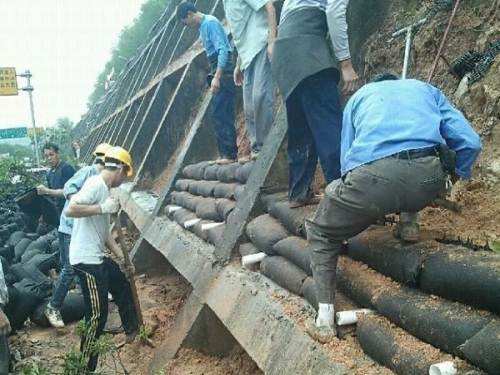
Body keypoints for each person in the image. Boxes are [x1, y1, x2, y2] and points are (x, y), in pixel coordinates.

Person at [305, 74, 482, 342]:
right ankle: (410, 223)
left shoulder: (358, 98)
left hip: (373, 182)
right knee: (413, 175)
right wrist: (452, 180)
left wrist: (360, 204)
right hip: (428, 179)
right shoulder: (426, 90)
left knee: (320, 231)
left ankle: (324, 319)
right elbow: (471, 143)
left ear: (375, 84)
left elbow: (346, 164)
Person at [271, 0, 359, 208]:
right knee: (328, 126)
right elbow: (335, 11)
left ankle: (298, 191)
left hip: (284, 55)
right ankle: (343, 197)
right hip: (307, 48)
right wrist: (345, 63)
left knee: (301, 128)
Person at [66, 146, 138, 372]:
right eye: (124, 176)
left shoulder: (106, 191)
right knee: (97, 314)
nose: (123, 181)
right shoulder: (95, 184)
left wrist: (123, 259)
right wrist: (100, 208)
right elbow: (71, 209)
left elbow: (105, 234)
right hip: (84, 260)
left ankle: (133, 332)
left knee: (121, 284)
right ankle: (85, 367)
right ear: (119, 169)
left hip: (96, 257)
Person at [44, 143, 113, 329]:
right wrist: (81, 203)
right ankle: (53, 307)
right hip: (68, 228)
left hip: (77, 228)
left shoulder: (103, 180)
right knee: (70, 268)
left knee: (80, 266)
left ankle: (92, 300)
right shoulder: (90, 173)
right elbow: (68, 188)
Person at [177, 2, 238, 164]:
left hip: (223, 72)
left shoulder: (210, 23)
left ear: (190, 14)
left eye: (186, 22)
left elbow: (223, 50)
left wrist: (217, 76)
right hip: (217, 69)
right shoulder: (203, 27)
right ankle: (226, 153)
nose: (187, 26)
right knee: (219, 113)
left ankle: (229, 155)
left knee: (222, 112)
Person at [223, 0, 277, 160]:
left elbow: (270, 7)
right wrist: (238, 64)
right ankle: (257, 149)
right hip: (246, 57)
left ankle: (267, 148)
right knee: (249, 107)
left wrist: (272, 41)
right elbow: (241, 33)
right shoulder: (225, 3)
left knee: (260, 96)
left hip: (260, 45)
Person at [37, 143, 76, 216]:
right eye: (46, 156)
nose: (49, 158)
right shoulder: (49, 174)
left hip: (71, 211)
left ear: (58, 154)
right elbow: (52, 196)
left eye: (51, 154)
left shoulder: (66, 169)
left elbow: (69, 192)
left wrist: (47, 191)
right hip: (59, 213)